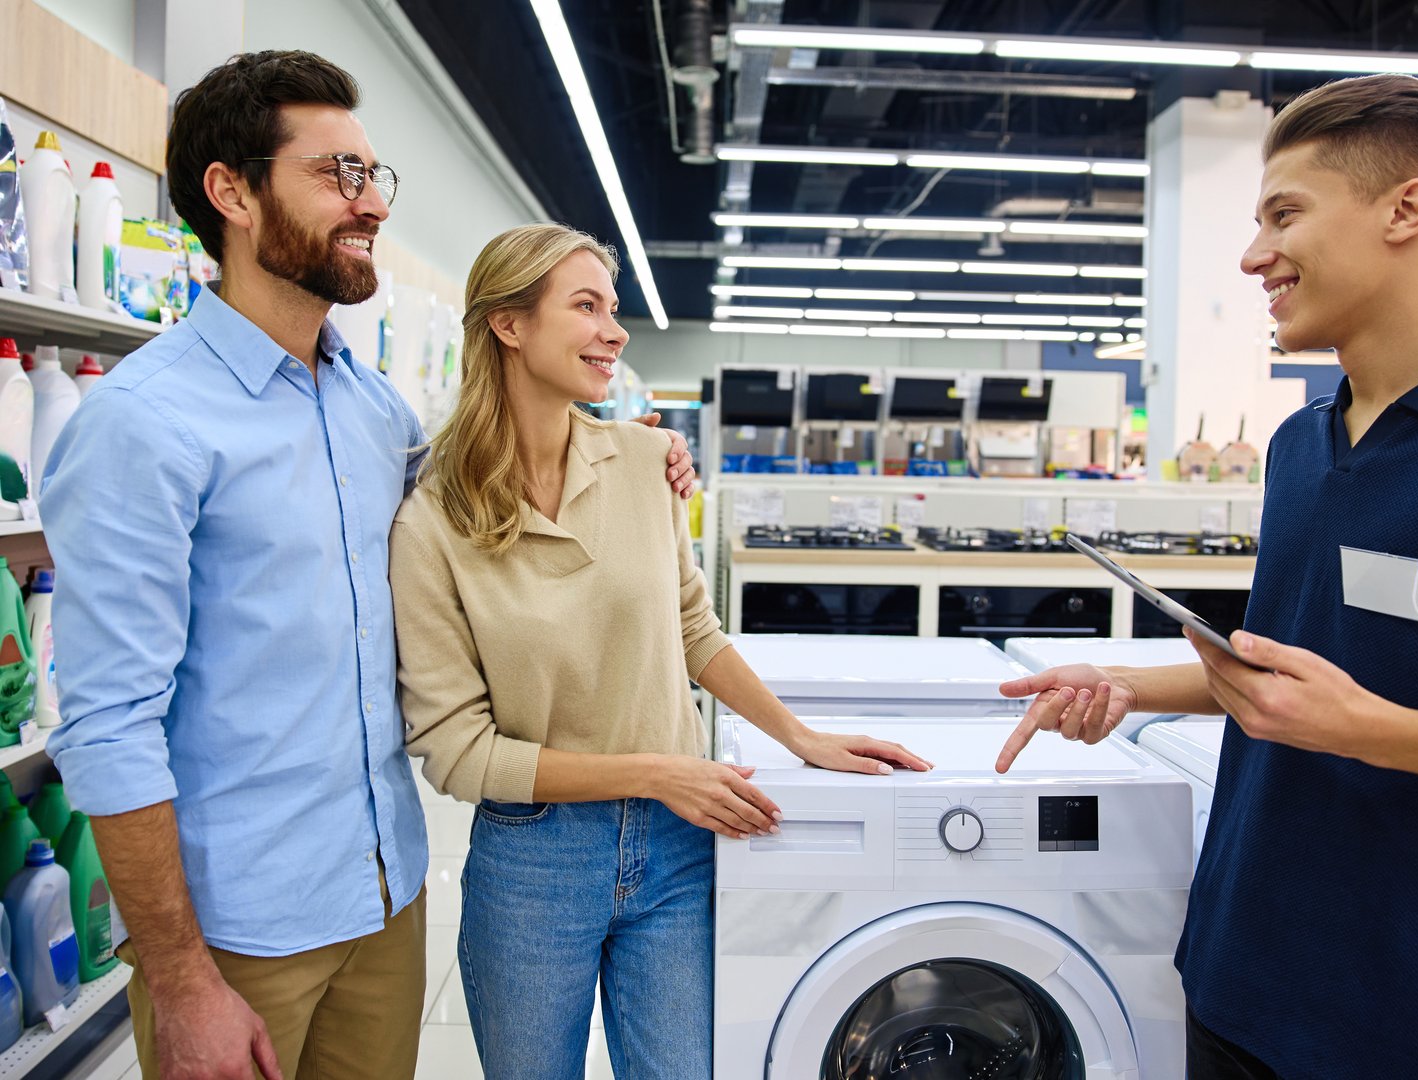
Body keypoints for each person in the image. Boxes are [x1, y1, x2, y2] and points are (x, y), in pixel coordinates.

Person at [38, 52, 694, 1080]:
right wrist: (178, 977)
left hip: (386, 900)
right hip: (240, 931)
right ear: (233, 193)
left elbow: (505, 490)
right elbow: (110, 725)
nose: (370, 205)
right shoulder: (143, 425)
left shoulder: (375, 410)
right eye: (337, 175)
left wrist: (636, 452)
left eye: (374, 177)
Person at [996, 73, 1418, 1078]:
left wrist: (1370, 731)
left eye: (1285, 215)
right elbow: (1304, 677)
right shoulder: (1300, 444)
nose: (1252, 256)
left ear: (1406, 211)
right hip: (1237, 981)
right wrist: (1128, 687)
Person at [390, 222, 931, 1079]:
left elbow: (693, 631)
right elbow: (457, 750)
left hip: (679, 846)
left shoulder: (646, 463)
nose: (615, 330)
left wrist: (803, 739)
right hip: (534, 863)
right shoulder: (432, 517)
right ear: (509, 324)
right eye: (587, 306)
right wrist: (651, 771)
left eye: (614, 308)